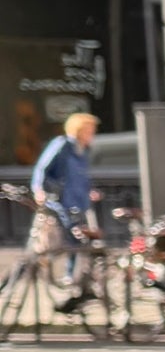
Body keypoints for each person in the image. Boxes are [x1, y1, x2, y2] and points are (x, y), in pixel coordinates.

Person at [29, 110, 99, 301]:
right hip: (62, 201)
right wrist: (38, 189)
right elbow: (42, 168)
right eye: (89, 129)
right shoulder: (62, 144)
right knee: (70, 237)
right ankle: (60, 274)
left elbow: (81, 176)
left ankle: (76, 278)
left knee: (83, 240)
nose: (92, 133)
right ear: (79, 129)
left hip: (79, 202)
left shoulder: (84, 150)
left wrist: (90, 191)